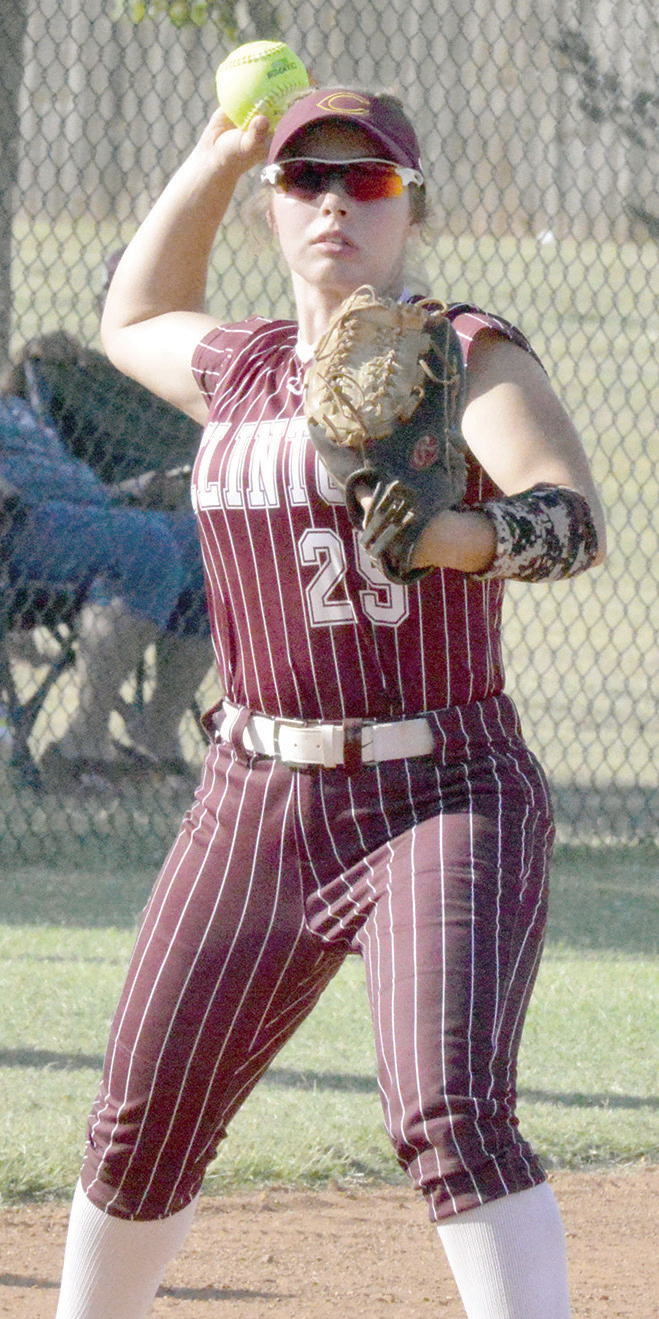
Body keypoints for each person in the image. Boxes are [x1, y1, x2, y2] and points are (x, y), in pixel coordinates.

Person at [54, 86, 607, 1318]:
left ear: (406, 206)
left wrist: (460, 532)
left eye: (368, 181)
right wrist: (217, 153)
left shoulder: (462, 350)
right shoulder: (244, 367)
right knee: (141, 1115)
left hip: (438, 785)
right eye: (306, 180)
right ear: (275, 206)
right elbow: (130, 314)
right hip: (252, 795)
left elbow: (569, 519)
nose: (333, 203)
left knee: (447, 1109)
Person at [0, 358, 211, 786]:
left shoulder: (17, 407)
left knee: (206, 548)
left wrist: (136, 490)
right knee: (144, 548)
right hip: (21, 531)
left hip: (90, 516)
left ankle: (155, 736)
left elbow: (74, 483)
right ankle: (84, 740)